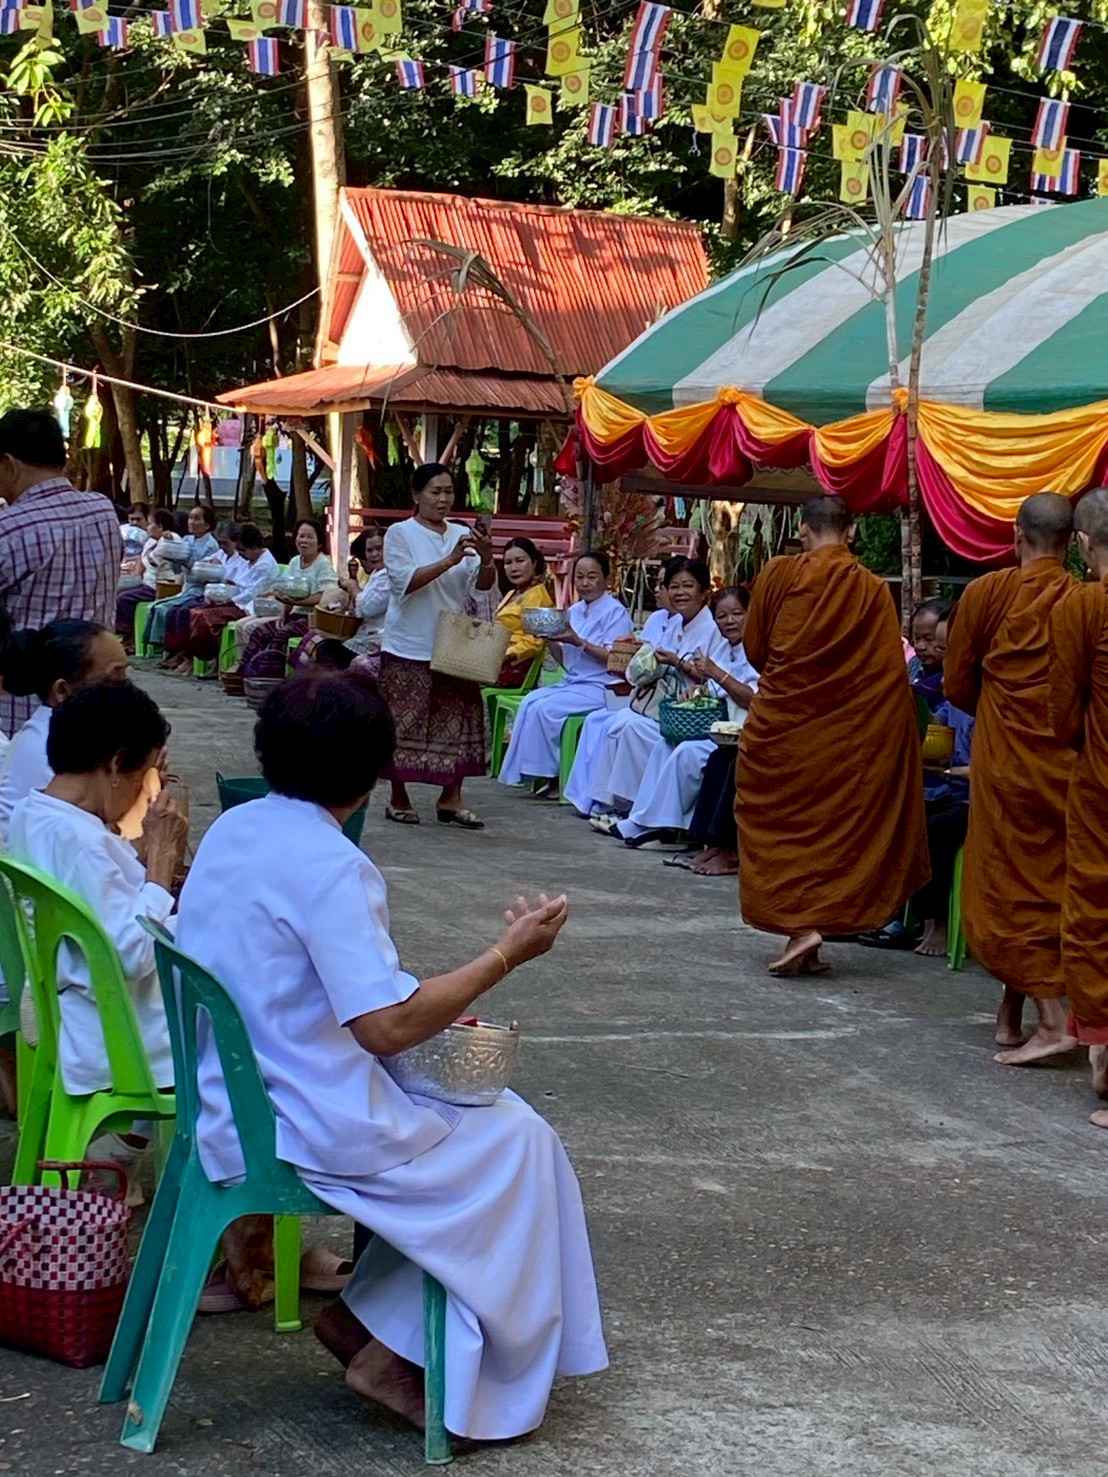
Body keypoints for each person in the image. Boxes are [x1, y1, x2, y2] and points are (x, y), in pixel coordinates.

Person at [176, 672, 606, 1437]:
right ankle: (396, 1354)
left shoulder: (237, 828)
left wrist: (432, 996)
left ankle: (365, 1322)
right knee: (519, 1142)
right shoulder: (332, 862)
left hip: (230, 1088)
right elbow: (384, 1026)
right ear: (374, 769)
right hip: (297, 1110)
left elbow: (325, 986)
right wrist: (505, 955)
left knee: (493, 1126)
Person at [736, 495, 929, 976]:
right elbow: (886, 676)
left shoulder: (781, 574)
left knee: (781, 828)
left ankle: (802, 929)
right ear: (853, 532)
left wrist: (794, 686)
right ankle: (811, 932)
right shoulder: (869, 589)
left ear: (802, 531)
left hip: (782, 730)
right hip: (845, 737)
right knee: (831, 827)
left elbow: (756, 649)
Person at [7, 681, 187, 1101]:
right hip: (119, 1031)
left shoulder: (34, 814)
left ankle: (123, 1145)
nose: (145, 791)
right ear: (115, 763)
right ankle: (133, 1141)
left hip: (80, 1011)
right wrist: (160, 864)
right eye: (145, 777)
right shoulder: (83, 844)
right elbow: (132, 953)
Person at [944, 491, 1076, 1057]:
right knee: (1043, 885)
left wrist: (1002, 709)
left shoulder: (986, 592)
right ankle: (1010, 1011)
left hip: (1004, 761)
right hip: (1065, 763)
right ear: (1071, 545)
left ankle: (1052, 1022)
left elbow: (956, 684)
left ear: (1016, 537)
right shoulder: (1082, 599)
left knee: (1008, 883)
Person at [377, 464, 496, 829]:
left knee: (459, 720)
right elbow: (406, 583)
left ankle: (451, 798)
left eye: (448, 491)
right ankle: (398, 797)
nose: (443, 499)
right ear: (416, 496)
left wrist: (488, 556)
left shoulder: (462, 533)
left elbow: (483, 584)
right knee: (402, 722)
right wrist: (450, 560)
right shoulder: (400, 534)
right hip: (409, 642)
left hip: (453, 643)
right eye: (435, 492)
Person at [565, 556, 724, 826]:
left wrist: (677, 662)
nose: (680, 592)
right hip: (664, 705)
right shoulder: (674, 623)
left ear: (704, 591)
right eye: (674, 586)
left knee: (630, 728)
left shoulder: (713, 628)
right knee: (620, 722)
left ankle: (633, 807)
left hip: (693, 712)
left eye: (688, 585)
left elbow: (714, 679)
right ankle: (611, 802)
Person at [0, 408, 119, 736]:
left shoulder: (10, 529)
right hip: (96, 699)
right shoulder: (103, 512)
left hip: (23, 711)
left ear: (8, 464)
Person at [1048, 488, 1108, 1124]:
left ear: (1084, 546)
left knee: (1096, 911)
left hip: (1101, 782)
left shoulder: (1085, 605)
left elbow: (1062, 714)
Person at [618, 586, 758, 848]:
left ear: (752, 613)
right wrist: (698, 692)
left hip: (740, 730)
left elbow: (753, 698)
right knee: (665, 743)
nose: (729, 622)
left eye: (737, 614)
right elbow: (716, 690)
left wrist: (717, 674)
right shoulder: (728, 648)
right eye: (722, 616)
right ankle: (641, 818)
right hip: (718, 725)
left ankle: (664, 827)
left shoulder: (758, 651)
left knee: (688, 753)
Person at [497, 552, 633, 799]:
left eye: (592, 577)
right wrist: (550, 639)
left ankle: (555, 776)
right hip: (575, 681)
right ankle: (536, 772)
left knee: (546, 709)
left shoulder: (616, 612)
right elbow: (566, 661)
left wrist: (579, 641)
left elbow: (616, 660)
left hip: (602, 685)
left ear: (606, 578)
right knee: (531, 702)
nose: (585, 583)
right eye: (579, 577)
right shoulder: (575, 611)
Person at [0, 620, 130, 846]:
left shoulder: (59, 735)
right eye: (114, 679)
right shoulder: (51, 749)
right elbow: (100, 843)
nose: (128, 691)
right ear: (62, 690)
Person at [238, 519, 337, 679]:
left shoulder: (323, 564)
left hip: (312, 620)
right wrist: (283, 615)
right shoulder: (294, 561)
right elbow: (286, 590)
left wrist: (295, 602)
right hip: (293, 615)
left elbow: (324, 596)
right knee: (259, 631)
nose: (304, 540)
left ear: (319, 543)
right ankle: (246, 675)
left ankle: (273, 679)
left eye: (309, 537)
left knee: (281, 635)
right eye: (301, 536)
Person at [184, 524, 279, 666]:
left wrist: (229, 600)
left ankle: (211, 660)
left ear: (253, 546)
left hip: (246, 606)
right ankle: (195, 659)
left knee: (204, 617)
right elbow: (237, 582)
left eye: (242, 550)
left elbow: (252, 593)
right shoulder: (249, 560)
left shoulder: (264, 564)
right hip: (234, 600)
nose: (240, 554)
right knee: (194, 612)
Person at [144, 504, 219, 655]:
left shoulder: (212, 546)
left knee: (173, 611)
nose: (191, 522)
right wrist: (170, 549)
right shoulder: (187, 539)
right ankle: (167, 651)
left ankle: (181, 654)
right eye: (190, 518)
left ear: (208, 524)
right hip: (186, 588)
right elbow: (177, 570)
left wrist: (185, 562)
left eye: (197, 519)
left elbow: (206, 575)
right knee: (157, 608)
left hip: (201, 591)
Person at [494, 537, 555, 688]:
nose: (513, 568)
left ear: (534, 563)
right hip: (496, 656)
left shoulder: (540, 595)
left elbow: (535, 643)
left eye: (520, 560)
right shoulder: (511, 593)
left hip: (517, 666)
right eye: (508, 563)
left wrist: (506, 655)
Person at [116, 509, 177, 646]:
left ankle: (130, 635)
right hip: (145, 583)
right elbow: (142, 561)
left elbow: (156, 562)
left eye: (150, 524)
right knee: (117, 589)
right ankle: (124, 633)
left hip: (159, 585)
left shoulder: (170, 541)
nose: (147, 528)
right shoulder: (150, 542)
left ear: (160, 526)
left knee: (124, 598)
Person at [908, 598, 953, 707]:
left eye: (929, 639)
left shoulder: (956, 679)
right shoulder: (914, 665)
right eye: (917, 638)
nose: (920, 646)